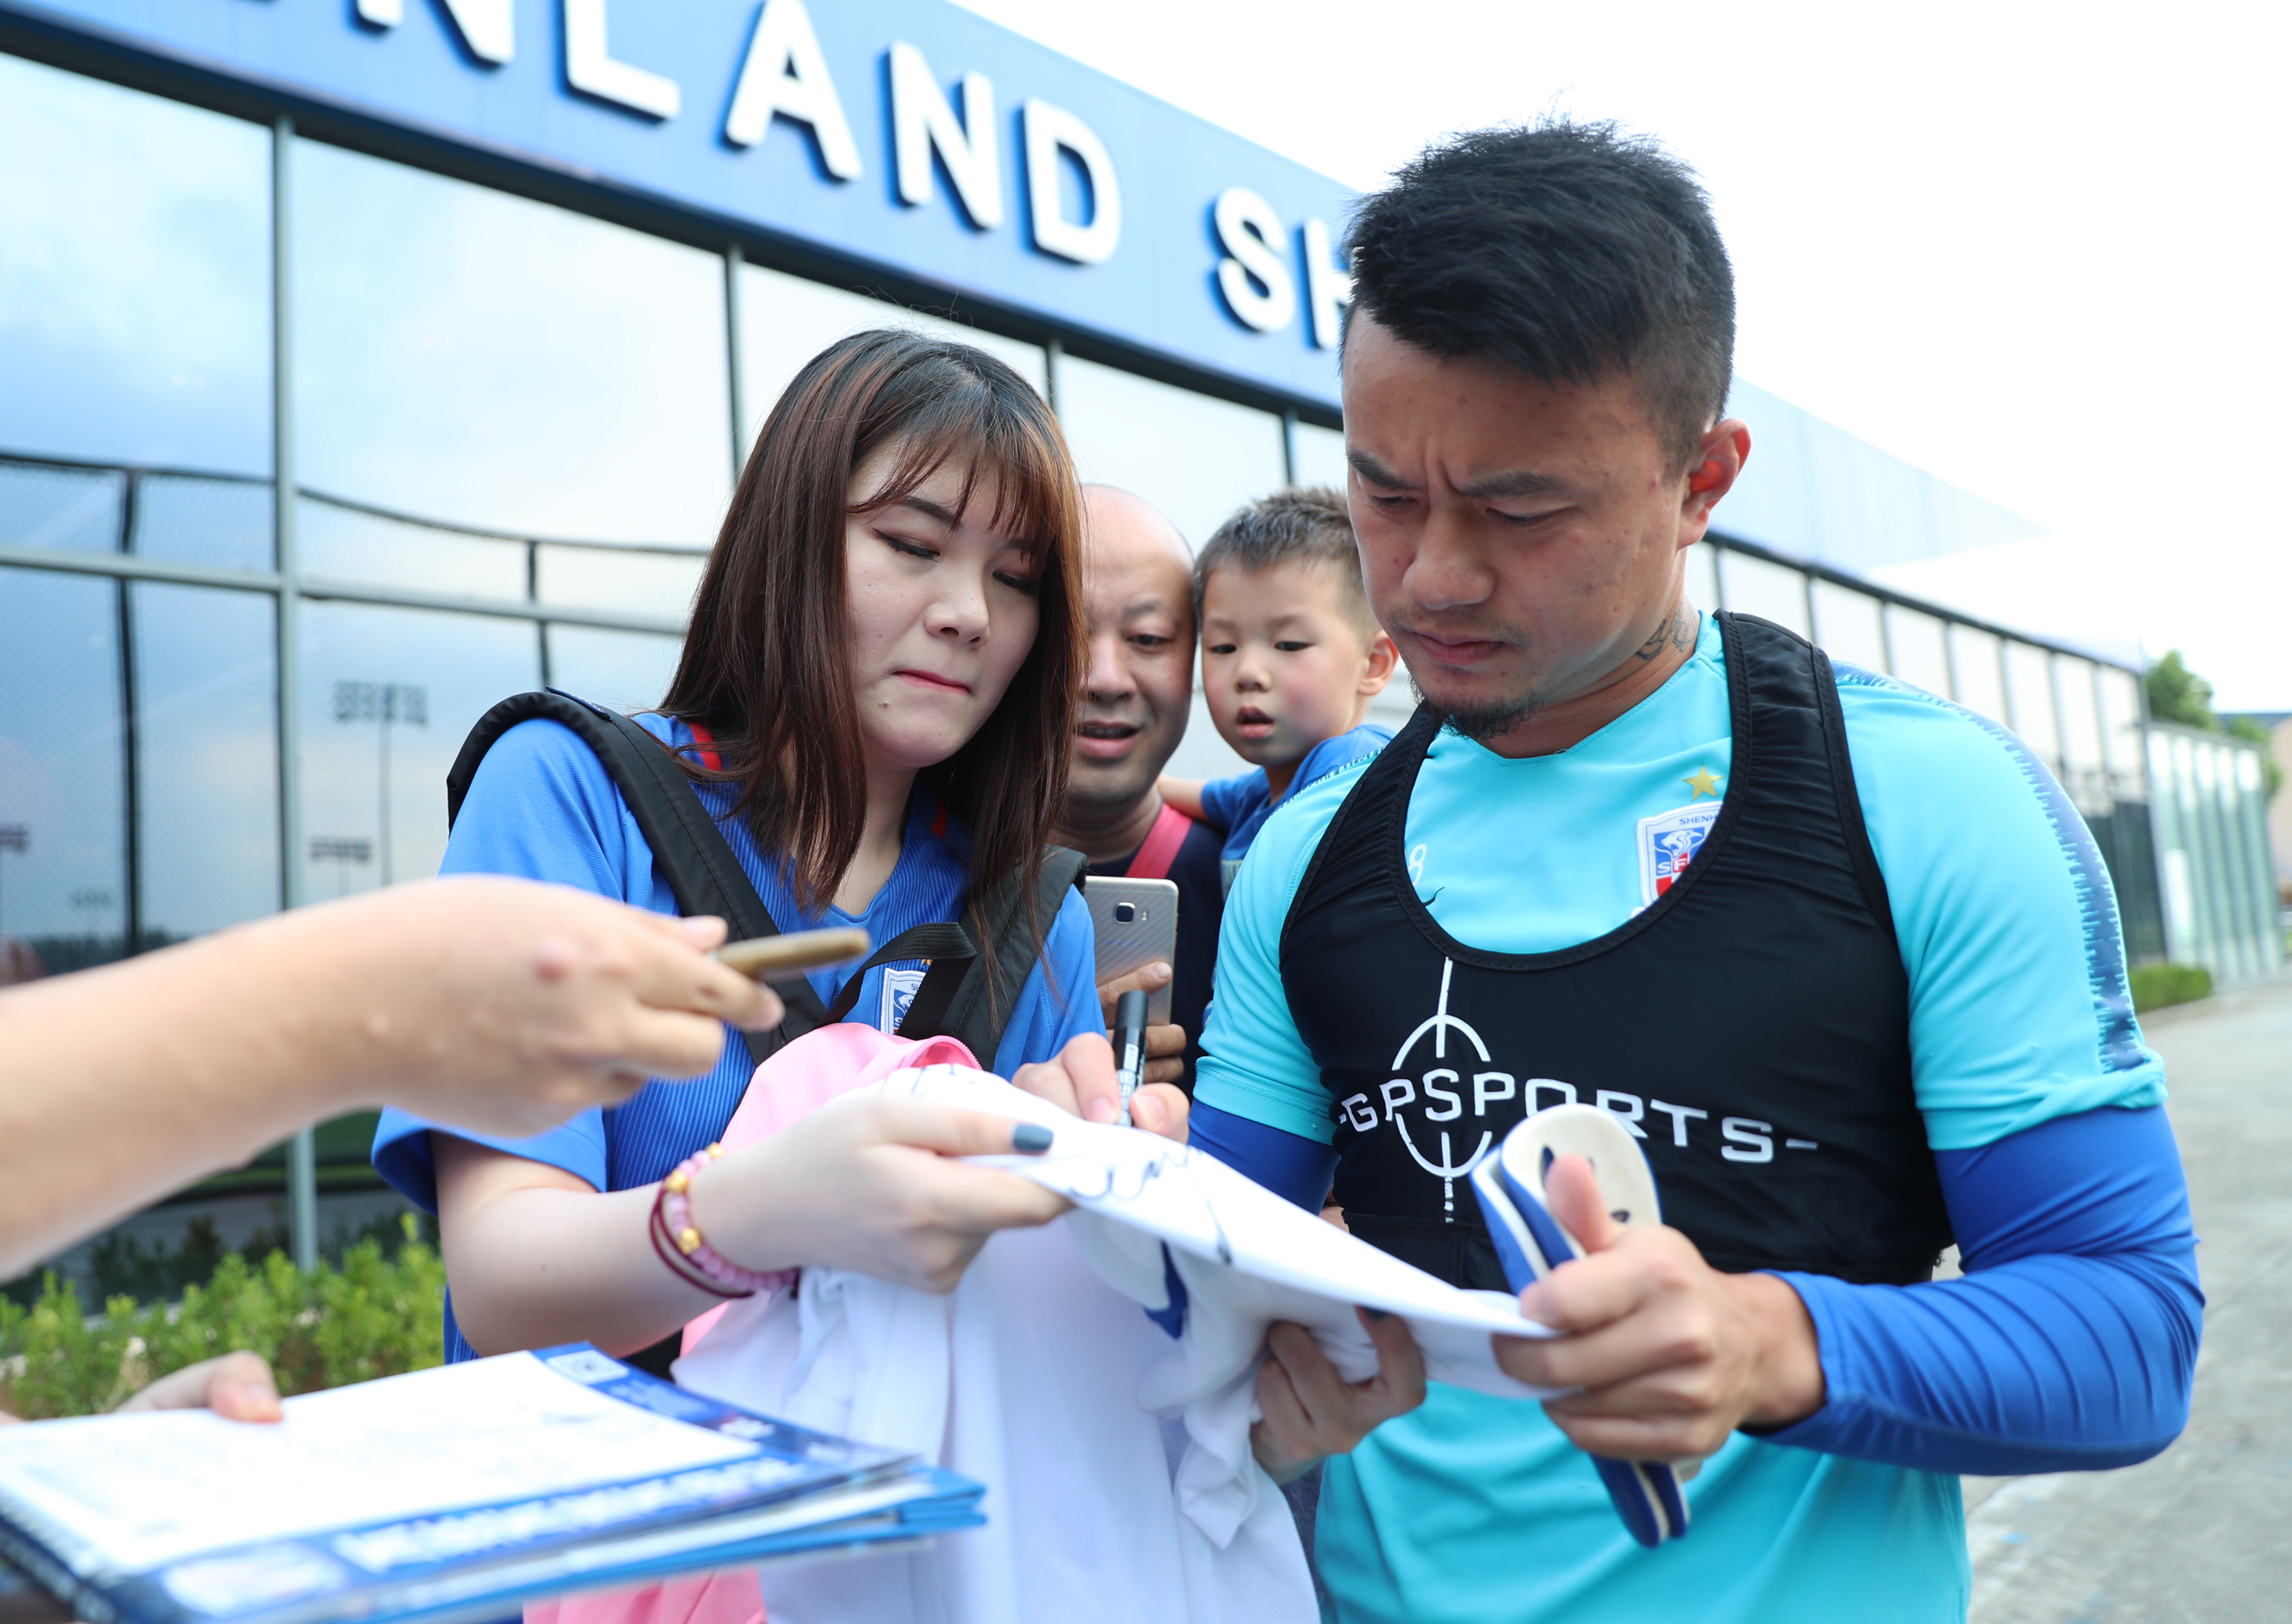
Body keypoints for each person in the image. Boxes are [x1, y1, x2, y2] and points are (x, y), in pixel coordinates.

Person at [1189, 122, 2200, 1623]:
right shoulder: (1305, 854)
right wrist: (1089, 1183)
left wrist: (1768, 1346)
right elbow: (1203, 1315)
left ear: (1700, 477)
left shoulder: (1925, 801)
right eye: (1385, 492)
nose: (1433, 574)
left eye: (1520, 508)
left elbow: (2126, 1328)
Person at [371, 330, 1187, 1368]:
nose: (970, 614)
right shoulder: (568, 793)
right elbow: (504, 1284)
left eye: (1017, 577)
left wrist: (1091, 1193)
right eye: (912, 543)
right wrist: (758, 1212)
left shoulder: (1033, 914)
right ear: (791, 536)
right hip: (605, 1520)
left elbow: (1060, 1351)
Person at [1055, 483, 1225, 1090]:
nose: (1103, 678)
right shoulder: (916, 864)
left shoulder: (1257, 876)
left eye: (1148, 638)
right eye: (1069, 633)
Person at [1158, 487, 1399, 892]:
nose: (1248, 673)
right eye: (1223, 647)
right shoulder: (1257, 795)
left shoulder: (1356, 769)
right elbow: (1176, 792)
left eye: (1289, 645)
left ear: (1373, 663)